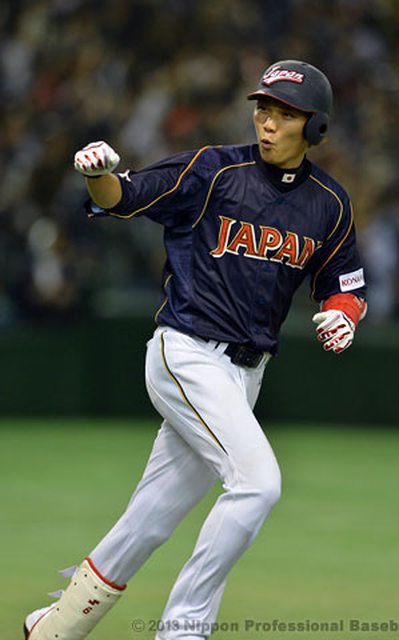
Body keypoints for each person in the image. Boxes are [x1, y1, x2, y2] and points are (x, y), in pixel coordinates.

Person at [24, 60, 367, 640]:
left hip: (244, 378)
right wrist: (100, 176)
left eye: (285, 114)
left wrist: (343, 314)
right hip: (186, 352)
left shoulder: (329, 203)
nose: (268, 122)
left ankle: (55, 627)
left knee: (149, 521)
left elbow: (345, 284)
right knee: (258, 484)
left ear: (316, 127)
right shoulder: (214, 170)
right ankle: (184, 630)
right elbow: (125, 196)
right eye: (264, 109)